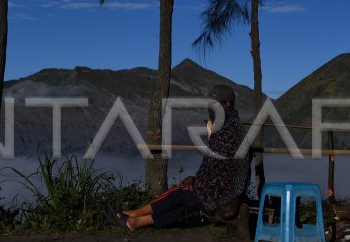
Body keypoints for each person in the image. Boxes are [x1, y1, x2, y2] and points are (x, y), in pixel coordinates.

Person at [105, 84, 250, 232]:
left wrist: (197, 180)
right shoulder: (232, 125)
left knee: (181, 192)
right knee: (186, 209)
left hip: (222, 195)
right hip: (224, 192)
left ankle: (133, 213)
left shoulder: (227, 130)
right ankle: (134, 222)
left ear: (227, 104)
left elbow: (214, 165)